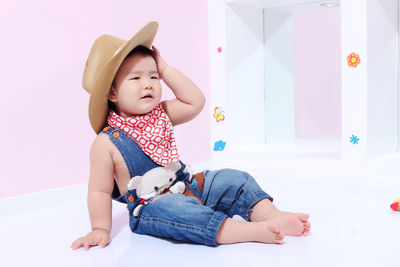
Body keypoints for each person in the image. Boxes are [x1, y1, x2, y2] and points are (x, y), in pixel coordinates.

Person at [71, 22, 310, 250]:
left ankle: (271, 215)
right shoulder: (106, 142)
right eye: (136, 78)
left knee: (234, 179)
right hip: (153, 205)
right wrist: (100, 228)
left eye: (153, 76)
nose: (148, 84)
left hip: (187, 184)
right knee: (182, 213)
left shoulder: (162, 113)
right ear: (111, 92)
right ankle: (250, 231)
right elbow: (99, 191)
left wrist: (166, 69)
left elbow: (195, 101)